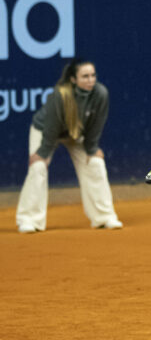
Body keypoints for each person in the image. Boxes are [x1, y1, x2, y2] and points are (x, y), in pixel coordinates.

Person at [16, 59, 122, 233]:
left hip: (75, 134)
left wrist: (92, 148)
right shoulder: (61, 94)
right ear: (73, 79)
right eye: (85, 76)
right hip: (46, 131)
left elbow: (96, 124)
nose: (90, 80)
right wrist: (42, 153)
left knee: (95, 163)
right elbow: (52, 127)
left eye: (93, 75)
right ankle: (29, 220)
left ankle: (104, 217)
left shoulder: (101, 93)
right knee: (38, 167)